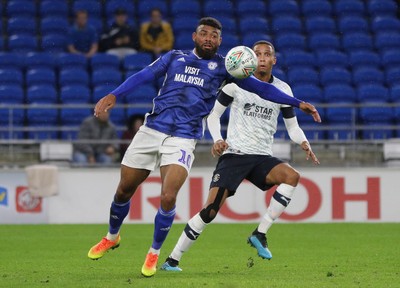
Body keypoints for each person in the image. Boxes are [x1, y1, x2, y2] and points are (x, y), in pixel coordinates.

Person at [87, 17, 320, 278]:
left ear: (220, 42)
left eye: (214, 35)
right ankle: (112, 236)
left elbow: (263, 90)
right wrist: (114, 94)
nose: (208, 38)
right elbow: (144, 75)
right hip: (152, 130)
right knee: (124, 190)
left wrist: (298, 103)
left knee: (168, 197)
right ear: (195, 37)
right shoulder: (174, 58)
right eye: (204, 33)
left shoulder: (224, 68)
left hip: (184, 138)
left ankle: (154, 254)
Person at [160, 40, 320, 272]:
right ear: (251, 59)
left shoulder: (283, 90)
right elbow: (213, 116)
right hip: (234, 155)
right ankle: (172, 260)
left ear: (274, 60)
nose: (262, 58)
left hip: (262, 157)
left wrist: (303, 141)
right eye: (258, 54)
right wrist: (217, 139)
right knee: (210, 211)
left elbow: (292, 127)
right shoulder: (235, 83)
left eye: (267, 55)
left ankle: (260, 233)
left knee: (291, 177)